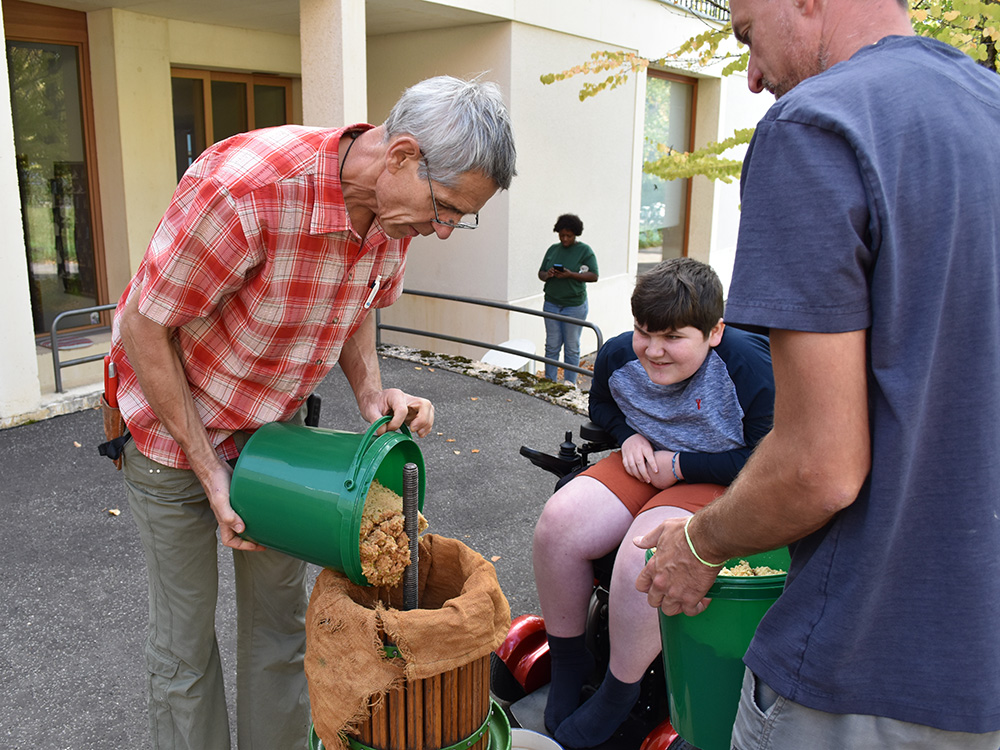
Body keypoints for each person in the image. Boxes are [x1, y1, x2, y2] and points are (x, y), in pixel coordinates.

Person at [108, 75, 516, 749]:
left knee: (278, 628)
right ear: (403, 155)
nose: (443, 232)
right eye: (444, 209)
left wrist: (371, 393)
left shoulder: (395, 215)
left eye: (458, 218)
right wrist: (209, 470)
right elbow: (143, 329)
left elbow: (357, 300)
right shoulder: (245, 189)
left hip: (274, 445)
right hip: (171, 438)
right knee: (184, 648)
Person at [635, 0, 1000, 748]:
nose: (752, 73)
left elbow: (818, 467)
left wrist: (698, 545)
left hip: (866, 665)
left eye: (745, 35)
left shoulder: (817, 125)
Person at [533, 258, 774, 748]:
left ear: (715, 332)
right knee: (558, 523)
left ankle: (619, 690)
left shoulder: (751, 366)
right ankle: (568, 662)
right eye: (644, 331)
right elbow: (601, 404)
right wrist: (629, 438)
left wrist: (683, 466)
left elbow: (768, 458)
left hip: (718, 473)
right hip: (645, 461)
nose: (654, 350)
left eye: (672, 337)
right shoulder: (620, 353)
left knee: (643, 557)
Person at [537, 213, 598, 385]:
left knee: (571, 347)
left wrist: (571, 274)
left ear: (575, 234)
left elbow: (594, 275)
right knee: (552, 346)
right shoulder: (553, 249)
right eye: (561, 235)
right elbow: (540, 273)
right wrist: (548, 274)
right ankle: (549, 382)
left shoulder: (585, 251)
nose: (564, 239)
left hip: (574, 305)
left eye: (568, 236)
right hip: (551, 303)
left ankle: (569, 385)